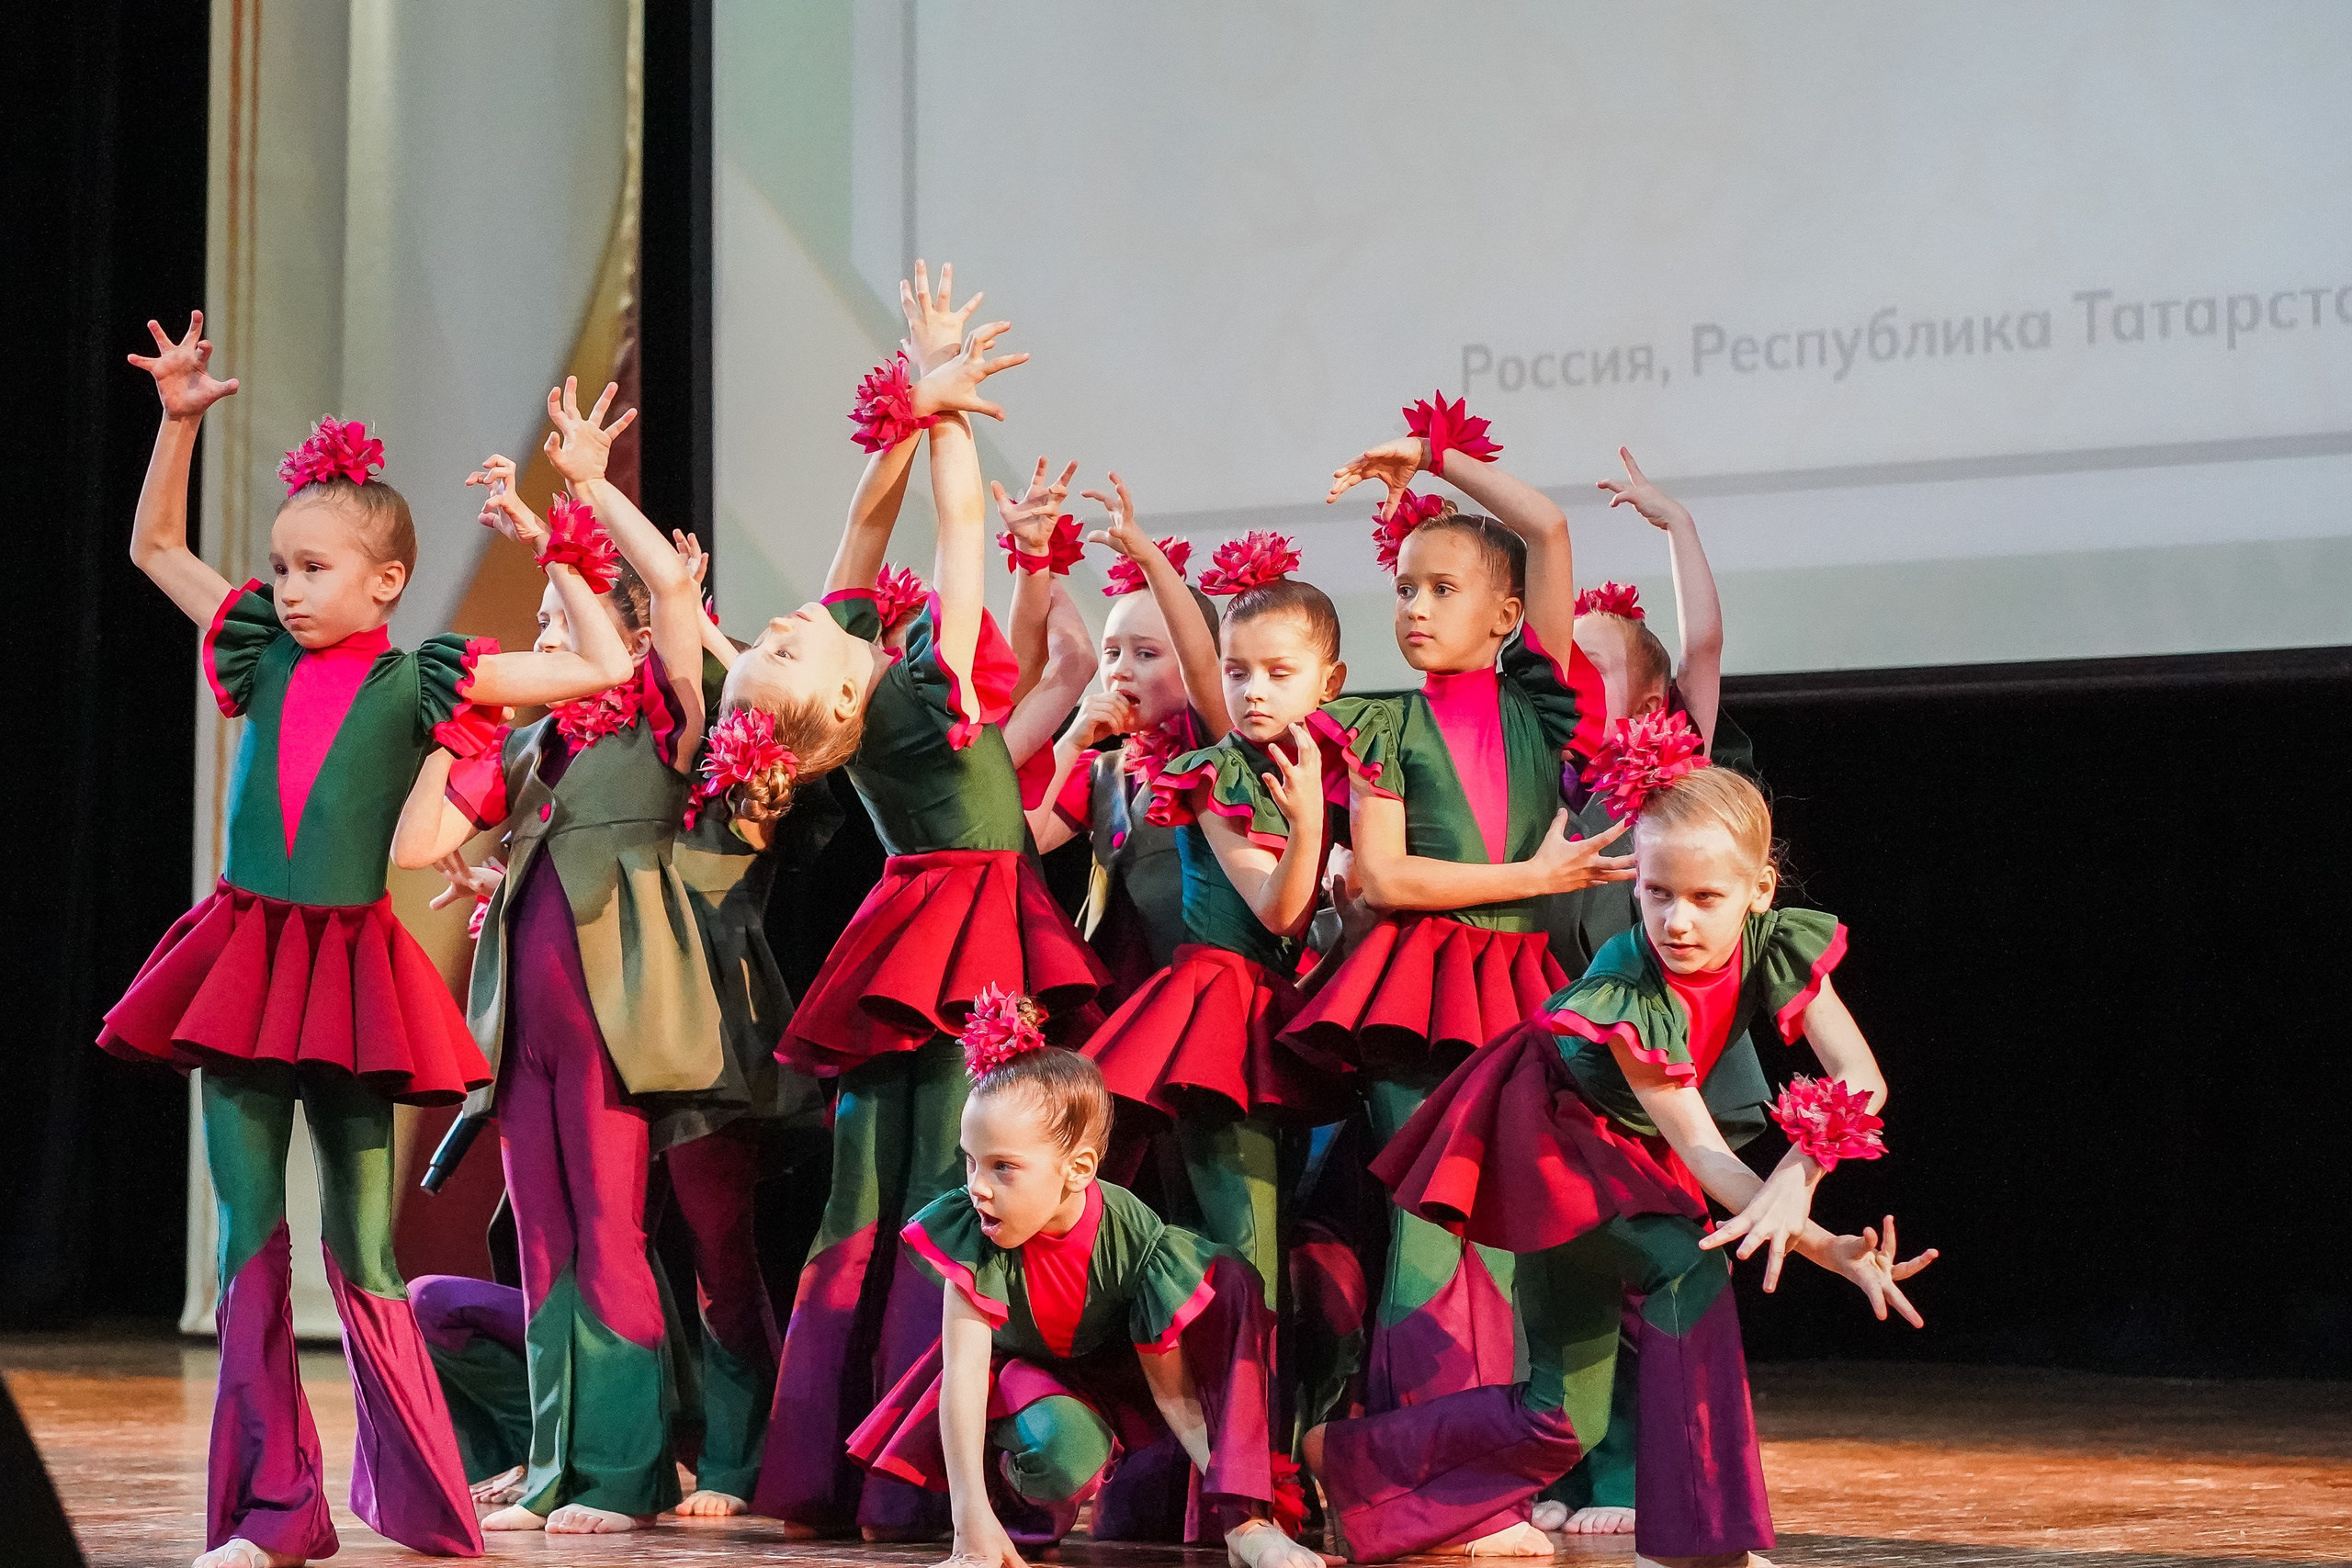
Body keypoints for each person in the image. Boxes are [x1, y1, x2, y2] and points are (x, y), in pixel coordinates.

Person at [101, 314, 635, 1568]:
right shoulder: (253, 649)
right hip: (241, 964)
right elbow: (153, 544)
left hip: (346, 976)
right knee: (246, 1236)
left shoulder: (421, 680)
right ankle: (270, 1515)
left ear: (385, 581)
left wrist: (568, 523)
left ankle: (419, 1499)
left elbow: (604, 660)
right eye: (281, 565)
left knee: (363, 1239)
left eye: (313, 568)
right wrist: (179, 421)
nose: (285, 586)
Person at [1313, 741, 1937, 1564]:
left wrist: (1802, 1177)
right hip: (1544, 1144)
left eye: (1706, 898)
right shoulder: (1628, 986)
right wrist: (1820, 1243)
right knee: (1690, 1265)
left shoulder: (1776, 943)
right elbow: (1706, 1154)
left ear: (1759, 892)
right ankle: (1696, 1540)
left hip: (1621, 1152)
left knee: (1564, 1415)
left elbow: (1861, 1076)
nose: (1678, 920)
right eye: (1656, 894)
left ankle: (1347, 1457)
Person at [740, 264, 1109, 1537]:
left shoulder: (863, 676)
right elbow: (954, 534)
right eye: (781, 644)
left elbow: (859, 534)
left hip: (911, 929)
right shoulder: (920, 683)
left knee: (879, 1187)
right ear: (833, 699)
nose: (792, 615)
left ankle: (829, 1462)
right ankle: (906, 1473)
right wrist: (944, 409)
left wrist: (910, 396)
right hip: (970, 937)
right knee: (954, 1191)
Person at [390, 378, 723, 1534]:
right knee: (546, 1246)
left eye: (567, 629)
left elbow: (673, 589)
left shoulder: (665, 723)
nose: (546, 651)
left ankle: (626, 1476)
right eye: (537, 633)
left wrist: (577, 497)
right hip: (522, 1034)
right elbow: (422, 840)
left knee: (614, 1237)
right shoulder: (527, 748)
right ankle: (553, 1470)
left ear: (619, 641)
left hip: (617, 1019)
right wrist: (458, 723)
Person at [1283, 391, 1632, 1413]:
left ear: (1507, 616)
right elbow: (1387, 878)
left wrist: (1432, 456)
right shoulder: (1380, 727)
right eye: (1403, 589)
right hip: (1420, 984)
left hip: (1523, 983)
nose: (1415, 608)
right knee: (1429, 1234)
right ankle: (1412, 1467)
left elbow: (1548, 527)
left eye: (1442, 588)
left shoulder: (1540, 701)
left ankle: (1490, 1472)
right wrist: (1536, 876)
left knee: (1518, 1231)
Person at [847, 994, 1328, 1568]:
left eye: (1003, 1166)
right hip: (1019, 1378)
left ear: (1077, 1169)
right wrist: (968, 1523)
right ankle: (1007, 1501)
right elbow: (964, 1383)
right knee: (1060, 1454)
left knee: (1095, 1444)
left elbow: (1175, 1392)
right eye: (971, 1161)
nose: (977, 1185)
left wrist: (1246, 1522)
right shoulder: (973, 1230)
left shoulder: (1130, 1238)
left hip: (1106, 1376)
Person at [1538, 446, 1747, 1535]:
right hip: (1576, 1058)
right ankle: (1563, 1470)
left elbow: (1703, 642)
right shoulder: (1557, 792)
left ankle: (1628, 1476)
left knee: (1647, 1271)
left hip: (1666, 1058)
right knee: (1565, 1274)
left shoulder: (1678, 780)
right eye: (1561, 667)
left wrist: (1676, 527)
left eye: (1599, 668)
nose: (1575, 682)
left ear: (1651, 694)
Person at [1080, 517, 1352, 1317]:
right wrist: (1150, 559)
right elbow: (1279, 907)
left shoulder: (1330, 768)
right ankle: (1240, 1432)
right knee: (1240, 1248)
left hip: (1281, 1011)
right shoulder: (1213, 769)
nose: (1252, 689)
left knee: (1265, 1242)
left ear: (1327, 682)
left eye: (1277, 671)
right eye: (1238, 673)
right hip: (1216, 1013)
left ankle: (1258, 1420)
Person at [1021, 489, 1223, 1003]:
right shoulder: (1105, 769)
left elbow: (1201, 660)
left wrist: (1147, 557)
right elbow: (1027, 838)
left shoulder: (1224, 748)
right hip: (1125, 993)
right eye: (1112, 652)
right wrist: (1072, 738)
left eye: (1147, 653)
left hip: (1212, 985)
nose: (1121, 669)